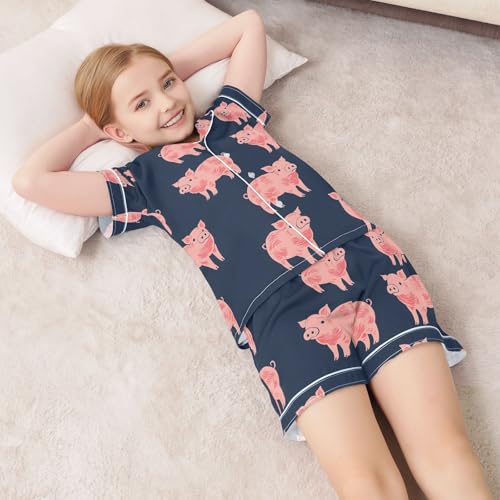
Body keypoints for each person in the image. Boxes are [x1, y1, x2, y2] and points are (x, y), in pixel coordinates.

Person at [11, 8, 493, 499]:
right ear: (118, 133)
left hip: (370, 269)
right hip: (281, 318)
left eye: (169, 83)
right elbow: (31, 181)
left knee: (444, 449)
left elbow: (247, 26)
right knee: (366, 481)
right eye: (142, 103)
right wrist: (93, 125)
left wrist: (152, 73)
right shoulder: (140, 183)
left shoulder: (232, 117)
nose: (168, 102)